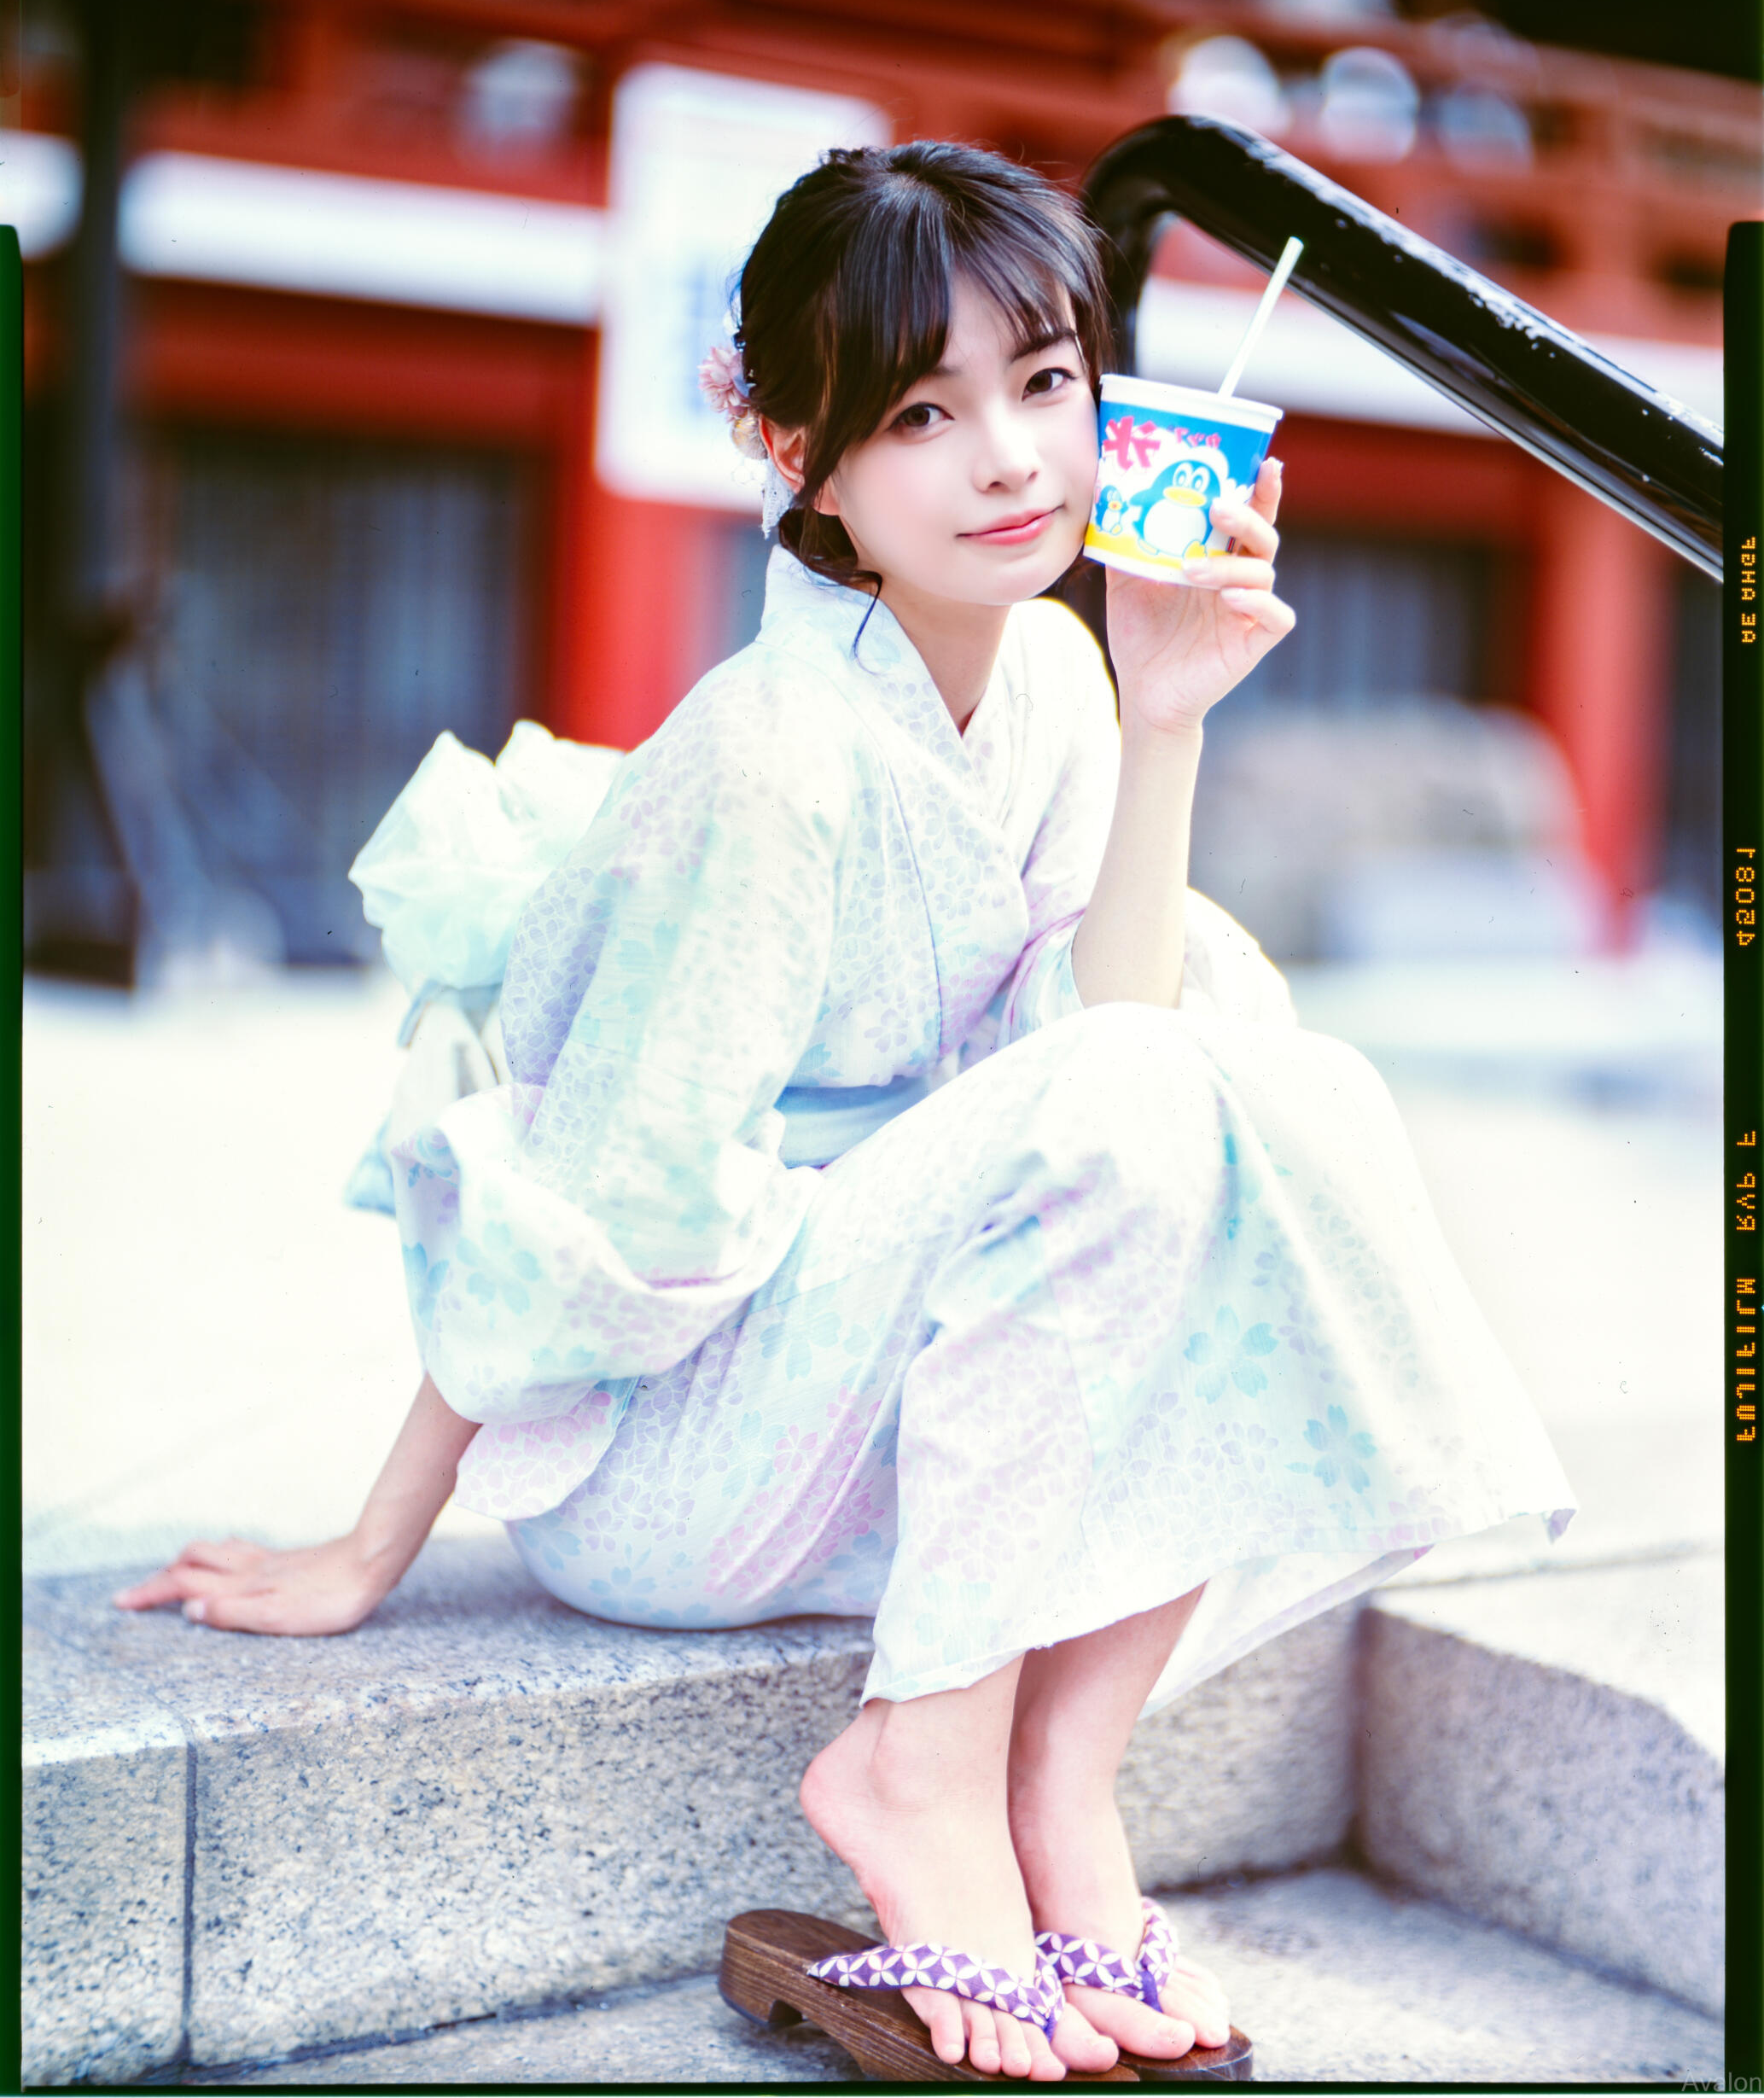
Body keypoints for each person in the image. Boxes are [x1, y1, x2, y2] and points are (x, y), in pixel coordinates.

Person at [117, 142, 1575, 2081]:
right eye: (918, 410)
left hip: (883, 1428)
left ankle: (1057, 1772)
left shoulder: (1054, 686)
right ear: (793, 444)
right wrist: (378, 1537)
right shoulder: (765, 757)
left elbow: (1117, 1057)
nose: (1006, 460)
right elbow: (593, 1206)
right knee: (1168, 1066)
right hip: (674, 1465)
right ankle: (916, 1768)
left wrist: (1160, 724)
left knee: (1225, 1044)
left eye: (1043, 384)